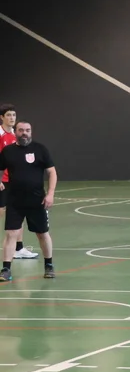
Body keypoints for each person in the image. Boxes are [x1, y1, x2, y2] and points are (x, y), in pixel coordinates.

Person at [0, 120, 56, 282]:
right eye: (21, 130)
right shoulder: (8, 151)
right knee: (11, 233)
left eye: (27, 130)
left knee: (42, 233)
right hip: (15, 200)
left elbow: (52, 172)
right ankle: (6, 269)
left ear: (31, 132)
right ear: (15, 132)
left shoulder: (40, 149)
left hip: (37, 201)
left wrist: (50, 194)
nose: (24, 133)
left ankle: (49, 265)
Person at [0, 104, 37, 260]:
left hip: (14, 181)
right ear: (2, 117)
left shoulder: (15, 135)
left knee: (18, 213)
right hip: (2, 181)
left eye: (14, 115)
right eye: (8, 115)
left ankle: (18, 248)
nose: (12, 118)